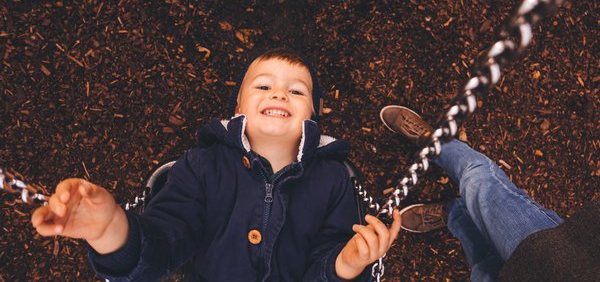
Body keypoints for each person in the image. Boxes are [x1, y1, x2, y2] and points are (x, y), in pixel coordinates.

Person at [31, 48, 401, 282]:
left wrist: (346, 265)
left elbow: (326, 259)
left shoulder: (333, 179)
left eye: (297, 91)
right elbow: (160, 246)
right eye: (262, 87)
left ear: (313, 115)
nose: (279, 93)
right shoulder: (201, 167)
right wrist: (109, 228)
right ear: (238, 108)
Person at [380, 105, 600, 282]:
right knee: (480, 184)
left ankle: (453, 213)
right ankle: (433, 142)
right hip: (558, 260)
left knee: (481, 260)